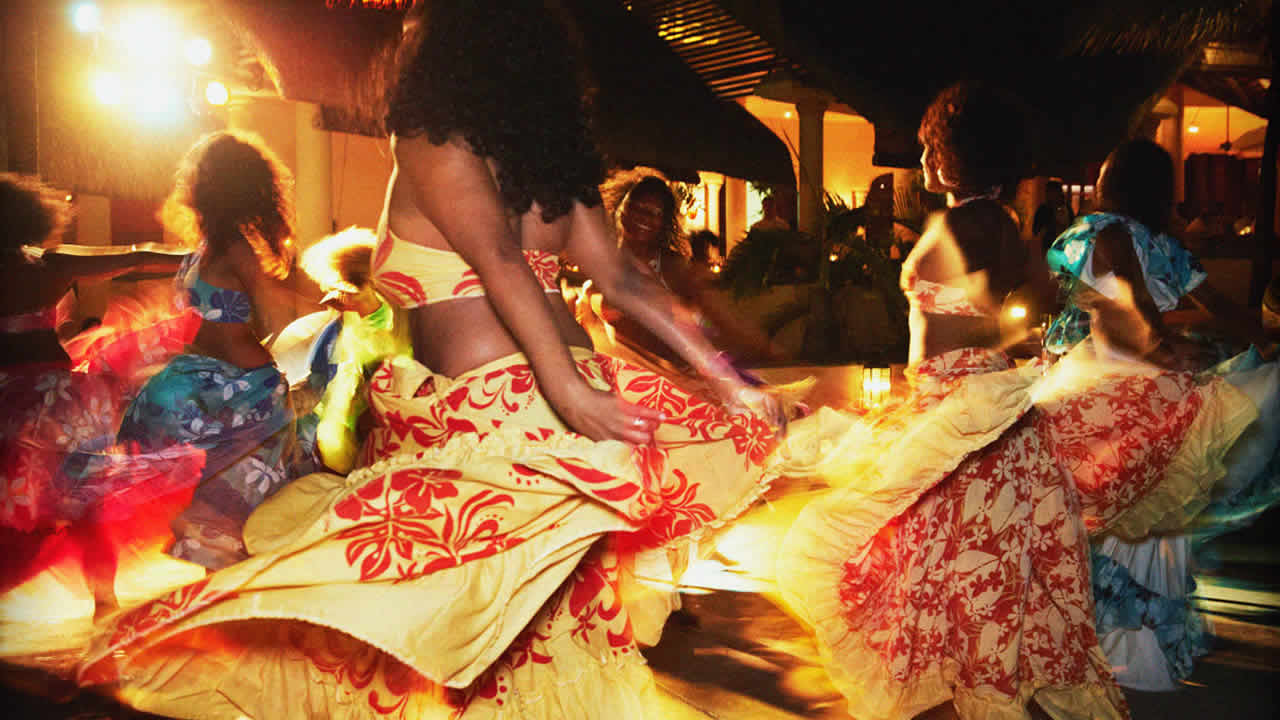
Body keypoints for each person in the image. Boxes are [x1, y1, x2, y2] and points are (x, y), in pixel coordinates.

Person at [77, 4, 783, 718]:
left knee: (417, 637)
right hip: (544, 401)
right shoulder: (555, 166)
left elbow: (499, 257)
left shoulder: (432, 138)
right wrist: (725, 380)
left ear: (450, 48)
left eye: (418, 25)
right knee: (525, 646)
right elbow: (625, 279)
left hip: (503, 413)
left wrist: (570, 393)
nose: (407, 34)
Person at [775, 82, 1131, 720]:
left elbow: (1015, 304)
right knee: (958, 570)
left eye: (928, 147)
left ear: (956, 153)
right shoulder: (992, 220)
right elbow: (1033, 296)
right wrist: (998, 340)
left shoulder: (972, 221)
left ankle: (963, 692)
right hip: (966, 403)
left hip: (962, 408)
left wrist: (982, 345)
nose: (920, 158)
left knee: (934, 564)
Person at [1040, 138, 1273, 691]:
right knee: (1155, 519)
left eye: (1105, 176)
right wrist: (1257, 339)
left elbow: (1126, 302)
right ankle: (1145, 654)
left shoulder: (1104, 233)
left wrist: (1162, 347)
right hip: (1148, 387)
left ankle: (1111, 649)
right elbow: (1209, 308)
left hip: (1113, 387)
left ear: (1117, 185)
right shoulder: (1156, 244)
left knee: (1115, 518)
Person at [115, 130, 319, 571]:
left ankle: (233, 588)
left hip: (242, 390)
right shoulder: (204, 248)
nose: (185, 175)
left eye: (195, 170)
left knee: (228, 509)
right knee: (168, 468)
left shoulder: (236, 248)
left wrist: (321, 312)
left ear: (215, 183)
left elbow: (272, 309)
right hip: (202, 382)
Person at [0, 173, 194, 612]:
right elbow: (137, 256)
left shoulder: (45, 265)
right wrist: (200, 256)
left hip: (13, 403)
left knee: (25, 508)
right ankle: (104, 599)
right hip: (56, 402)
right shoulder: (47, 265)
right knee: (86, 501)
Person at [1032, 179, 1073, 253]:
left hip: (1064, 247)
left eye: (1052, 192)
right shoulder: (1043, 210)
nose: (1048, 195)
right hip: (1049, 248)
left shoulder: (1067, 208)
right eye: (1048, 192)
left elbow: (1072, 226)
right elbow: (1036, 230)